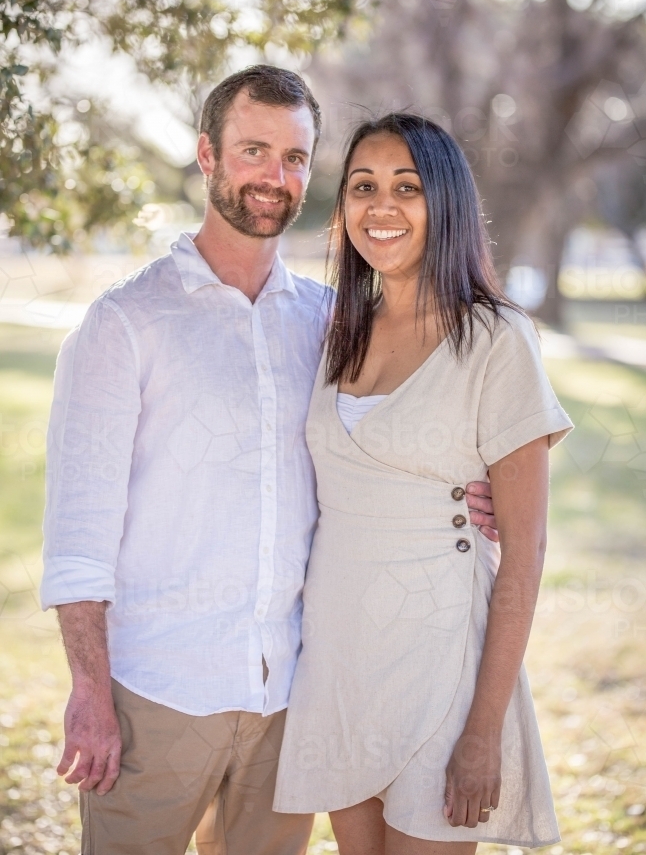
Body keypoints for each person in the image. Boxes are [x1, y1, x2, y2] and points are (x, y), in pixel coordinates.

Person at [40, 68, 497, 855]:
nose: (275, 176)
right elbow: (79, 535)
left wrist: (469, 494)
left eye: (293, 157)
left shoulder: (330, 325)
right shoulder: (126, 323)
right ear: (207, 157)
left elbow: (379, 458)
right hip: (158, 693)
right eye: (254, 150)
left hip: (292, 697)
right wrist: (89, 690)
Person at [273, 114, 573, 854]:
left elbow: (525, 552)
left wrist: (484, 729)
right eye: (363, 187)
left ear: (447, 203)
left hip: (442, 669)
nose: (381, 207)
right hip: (340, 663)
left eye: (407, 188)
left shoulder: (497, 338)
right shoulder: (341, 327)